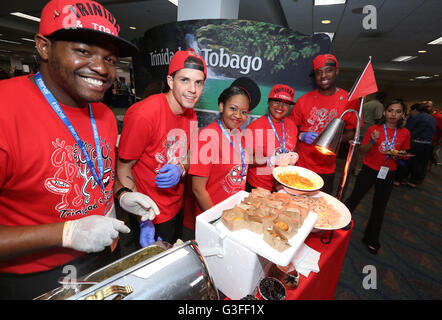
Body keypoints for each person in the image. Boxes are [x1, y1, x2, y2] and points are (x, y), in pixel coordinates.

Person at [0, 0, 141, 300]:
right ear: (44, 47)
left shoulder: (102, 114)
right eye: (84, 51)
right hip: (33, 277)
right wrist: (66, 232)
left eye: (111, 58)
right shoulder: (5, 110)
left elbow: (95, 177)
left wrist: (121, 194)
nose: (102, 68)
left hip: (102, 260)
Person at [116, 49, 207, 246]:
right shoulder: (144, 114)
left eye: (198, 82)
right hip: (149, 213)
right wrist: (143, 219)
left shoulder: (191, 114)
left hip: (176, 206)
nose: (193, 89)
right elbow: (122, 168)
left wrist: (181, 168)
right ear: (170, 81)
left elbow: (189, 154)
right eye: (185, 80)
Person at [182, 77, 260, 240]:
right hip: (210, 219)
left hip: (231, 215)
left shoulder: (237, 134)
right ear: (221, 106)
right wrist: (217, 221)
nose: (238, 115)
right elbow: (198, 189)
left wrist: (273, 160)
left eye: (244, 112)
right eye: (233, 108)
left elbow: (242, 159)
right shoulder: (207, 137)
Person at [344, 100, 410, 254]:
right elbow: (362, 151)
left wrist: (398, 156)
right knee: (354, 198)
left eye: (398, 111)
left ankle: (371, 238)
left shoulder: (405, 133)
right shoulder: (374, 129)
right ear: (384, 113)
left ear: (402, 115)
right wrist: (373, 141)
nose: (393, 114)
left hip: (388, 172)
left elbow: (404, 153)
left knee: (380, 206)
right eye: (390, 110)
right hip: (369, 169)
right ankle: (337, 225)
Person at [288, 53, 359, 195]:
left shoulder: (349, 100)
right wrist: (302, 136)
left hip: (327, 168)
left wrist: (338, 139)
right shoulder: (303, 100)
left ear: (336, 71)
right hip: (302, 165)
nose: (323, 76)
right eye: (319, 72)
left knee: (320, 209)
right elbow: (289, 130)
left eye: (328, 70)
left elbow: (351, 131)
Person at [245, 84, 299, 192]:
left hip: (284, 185)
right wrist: (272, 160)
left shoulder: (291, 125)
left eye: (286, 103)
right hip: (259, 187)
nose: (280, 107)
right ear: (269, 102)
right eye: (276, 101)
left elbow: (292, 147)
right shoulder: (255, 127)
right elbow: (246, 159)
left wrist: (294, 156)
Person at [403, 101, 436, 187]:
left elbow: (407, 130)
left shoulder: (416, 117)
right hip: (427, 144)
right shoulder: (433, 119)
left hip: (415, 144)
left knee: (408, 161)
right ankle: (414, 181)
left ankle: (402, 179)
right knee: (421, 164)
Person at [353, 92, 386, 176]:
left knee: (357, 148)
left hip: (360, 126)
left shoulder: (366, 104)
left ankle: (353, 167)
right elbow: (378, 119)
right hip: (369, 128)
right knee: (364, 150)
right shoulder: (379, 105)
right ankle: (358, 169)